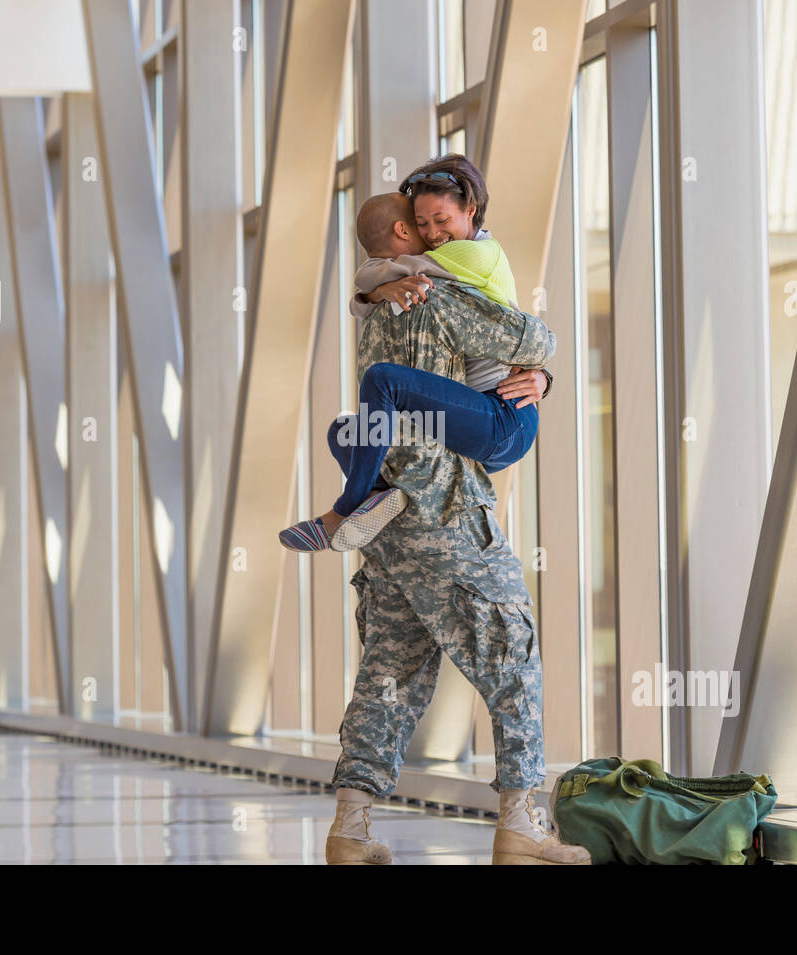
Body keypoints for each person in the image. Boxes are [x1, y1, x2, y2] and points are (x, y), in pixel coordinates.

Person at [323, 271, 590, 866]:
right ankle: (520, 823)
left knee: (389, 675)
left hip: (390, 523)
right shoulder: (438, 295)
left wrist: (367, 291)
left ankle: (351, 827)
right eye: (425, 224)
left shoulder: (370, 315)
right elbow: (531, 336)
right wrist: (541, 376)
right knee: (513, 657)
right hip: (446, 510)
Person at [278, 155, 553, 554]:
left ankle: (345, 509)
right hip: (475, 413)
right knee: (343, 431)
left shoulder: (475, 255)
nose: (433, 232)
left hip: (503, 419)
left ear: (471, 210)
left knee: (383, 381)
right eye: (423, 224)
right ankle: (379, 495)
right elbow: (378, 281)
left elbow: (373, 273)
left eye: (441, 220)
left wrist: (374, 289)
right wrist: (376, 291)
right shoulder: (445, 260)